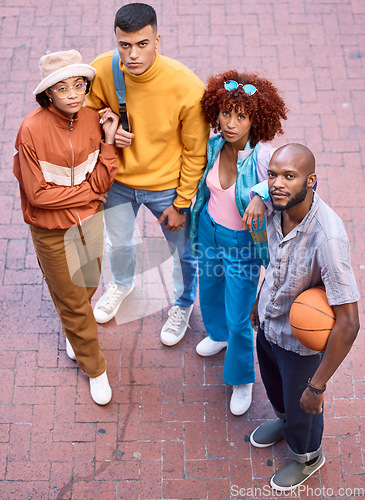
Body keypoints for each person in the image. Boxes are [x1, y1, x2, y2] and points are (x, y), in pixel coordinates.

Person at [85, 3, 209, 345]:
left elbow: (196, 151)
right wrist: (104, 128)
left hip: (166, 188)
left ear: (158, 39)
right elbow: (81, 120)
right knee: (119, 243)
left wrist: (182, 203)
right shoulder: (102, 70)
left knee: (184, 252)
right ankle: (122, 284)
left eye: (142, 44)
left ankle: (183, 304)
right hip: (118, 183)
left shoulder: (186, 86)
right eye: (124, 45)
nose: (132, 54)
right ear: (116, 41)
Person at [249, 144, 360, 492]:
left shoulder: (328, 237)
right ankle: (284, 422)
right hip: (269, 326)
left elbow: (350, 321)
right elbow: (274, 262)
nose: (277, 184)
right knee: (276, 392)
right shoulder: (273, 209)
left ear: (310, 181)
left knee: (304, 412)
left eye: (289, 176)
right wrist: (258, 302)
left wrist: (318, 385)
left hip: (301, 345)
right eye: (272, 175)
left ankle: (308, 457)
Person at [13, 50, 120, 405]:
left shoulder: (93, 120)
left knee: (86, 288)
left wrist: (107, 140)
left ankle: (76, 334)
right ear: (49, 95)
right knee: (74, 302)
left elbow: (105, 178)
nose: (73, 94)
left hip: (89, 222)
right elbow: (39, 195)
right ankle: (96, 368)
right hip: (51, 231)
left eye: (79, 85)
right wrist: (89, 192)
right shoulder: (31, 129)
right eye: (62, 88)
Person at [189, 71, 288, 415]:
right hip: (209, 231)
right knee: (210, 292)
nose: (230, 123)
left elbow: (297, 186)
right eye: (225, 113)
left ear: (256, 119)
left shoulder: (263, 157)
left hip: (241, 245)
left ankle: (242, 377)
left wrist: (262, 193)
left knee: (240, 317)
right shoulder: (215, 144)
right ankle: (217, 336)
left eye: (241, 116)